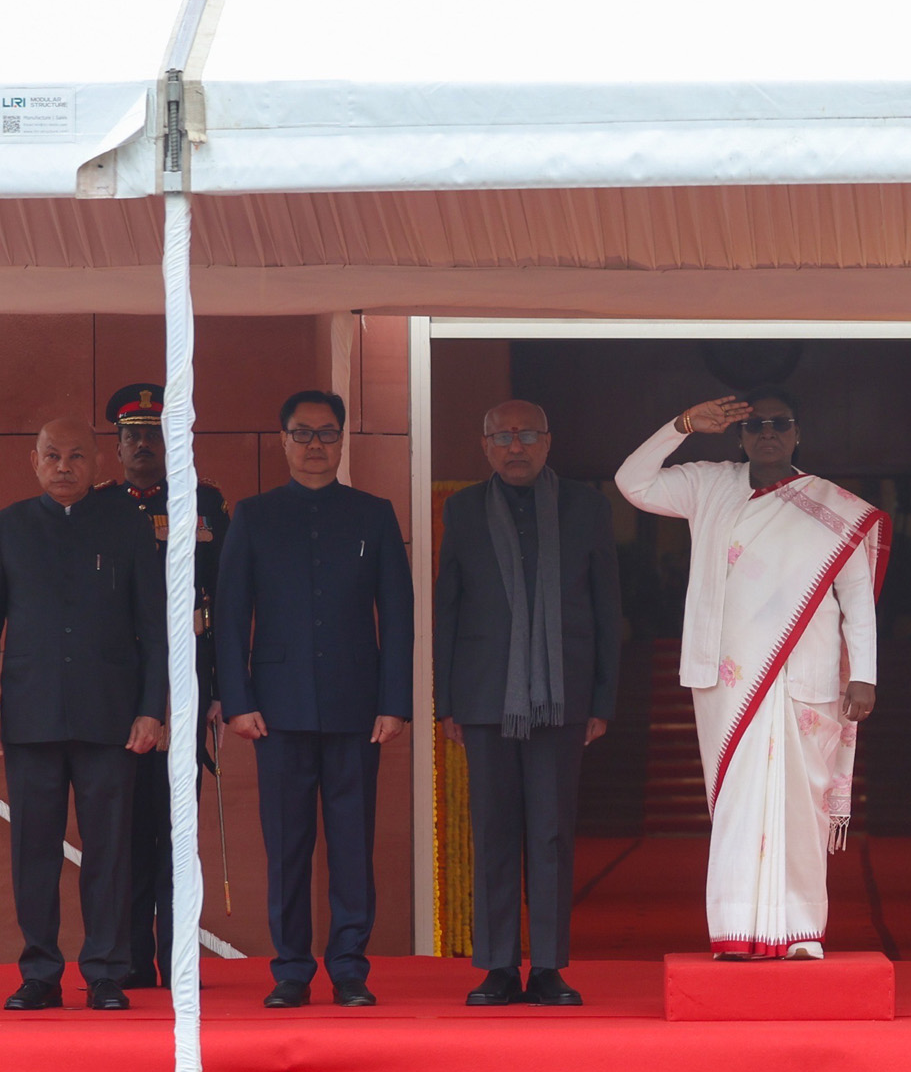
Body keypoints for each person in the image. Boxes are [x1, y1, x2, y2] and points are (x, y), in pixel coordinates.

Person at [616, 388, 885, 960]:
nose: (767, 432)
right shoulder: (708, 483)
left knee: (803, 806)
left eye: (779, 423)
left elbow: (858, 596)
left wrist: (863, 673)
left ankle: (802, 931)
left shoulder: (833, 507)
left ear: (797, 432)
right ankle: (735, 929)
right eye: (756, 424)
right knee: (737, 805)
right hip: (729, 676)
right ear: (739, 435)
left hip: (803, 675)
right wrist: (682, 423)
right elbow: (632, 482)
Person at [218, 389, 413, 1009]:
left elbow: (399, 616)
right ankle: (293, 969)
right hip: (275, 711)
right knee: (288, 846)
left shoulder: (373, 514)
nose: (315, 447)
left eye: (327, 435)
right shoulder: (254, 516)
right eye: (302, 435)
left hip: (358, 708)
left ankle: (350, 966)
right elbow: (230, 616)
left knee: (353, 842)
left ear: (343, 440)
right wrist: (238, 698)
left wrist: (396, 701)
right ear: (283, 441)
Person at [0, 419, 166, 1012]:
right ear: (34, 461)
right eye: (52, 456)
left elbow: (155, 630)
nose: (64, 467)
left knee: (109, 848)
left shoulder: (126, 524)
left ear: (97, 461)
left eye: (77, 456)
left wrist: (151, 710)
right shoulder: (9, 527)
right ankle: (41, 971)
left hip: (111, 718)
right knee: (34, 848)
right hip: (31, 717)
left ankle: (106, 968)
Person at [435, 399, 621, 1008]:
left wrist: (602, 699)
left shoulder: (586, 508)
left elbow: (605, 609)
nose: (516, 447)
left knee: (550, 834)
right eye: (504, 437)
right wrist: (447, 702)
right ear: (485, 446)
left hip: (561, 697)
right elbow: (448, 610)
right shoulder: (461, 510)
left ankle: (547, 966)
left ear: (548, 442)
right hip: (486, 697)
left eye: (528, 435)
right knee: (492, 832)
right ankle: (495, 966)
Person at [105, 383, 230, 991]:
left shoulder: (203, 501)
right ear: (118, 445)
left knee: (179, 831)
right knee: (126, 831)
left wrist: (219, 688)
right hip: (123, 690)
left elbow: (227, 604)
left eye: (154, 433)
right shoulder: (103, 507)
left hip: (188, 680)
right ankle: (129, 957)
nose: (144, 444)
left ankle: (179, 959)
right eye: (132, 435)